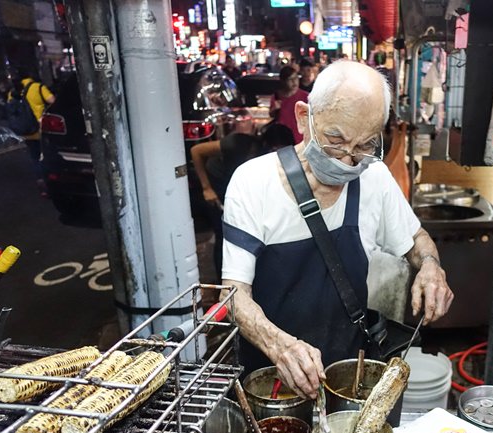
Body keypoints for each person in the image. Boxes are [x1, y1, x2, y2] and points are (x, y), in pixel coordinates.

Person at [221, 60, 454, 398]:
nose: (347, 160)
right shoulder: (253, 183)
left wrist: (431, 267)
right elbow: (233, 296)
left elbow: (416, 239)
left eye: (364, 146)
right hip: (270, 380)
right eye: (335, 140)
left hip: (348, 376)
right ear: (304, 118)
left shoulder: (374, 178)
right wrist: (280, 346)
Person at [191, 124, 295, 279]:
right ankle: (225, 284)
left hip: (239, 188)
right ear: (265, 144)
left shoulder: (286, 159)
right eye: (275, 150)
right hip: (217, 189)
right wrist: (207, 188)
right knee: (226, 236)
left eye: (284, 150)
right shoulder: (238, 143)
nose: (279, 154)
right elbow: (196, 151)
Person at [9, 68, 55, 180]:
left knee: (34, 156)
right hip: (41, 129)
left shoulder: (13, 92)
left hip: (26, 130)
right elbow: (53, 101)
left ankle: (40, 178)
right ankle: (49, 179)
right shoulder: (38, 87)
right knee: (48, 155)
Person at [269, 66, 309, 145]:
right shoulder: (277, 96)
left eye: (296, 78)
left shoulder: (306, 97)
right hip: (283, 142)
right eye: (290, 79)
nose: (294, 82)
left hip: (301, 141)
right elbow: (272, 115)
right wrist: (275, 109)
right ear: (283, 81)